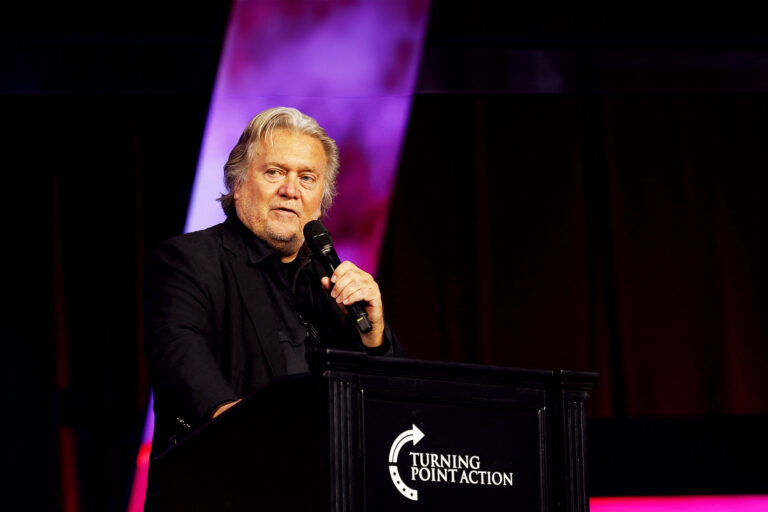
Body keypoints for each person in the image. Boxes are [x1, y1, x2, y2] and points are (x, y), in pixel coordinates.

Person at [143, 107, 403, 459]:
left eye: (307, 178)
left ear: (321, 201)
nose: (290, 190)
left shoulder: (336, 285)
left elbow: (397, 411)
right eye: (275, 172)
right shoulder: (190, 259)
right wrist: (251, 436)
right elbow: (180, 356)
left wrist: (374, 338)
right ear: (238, 185)